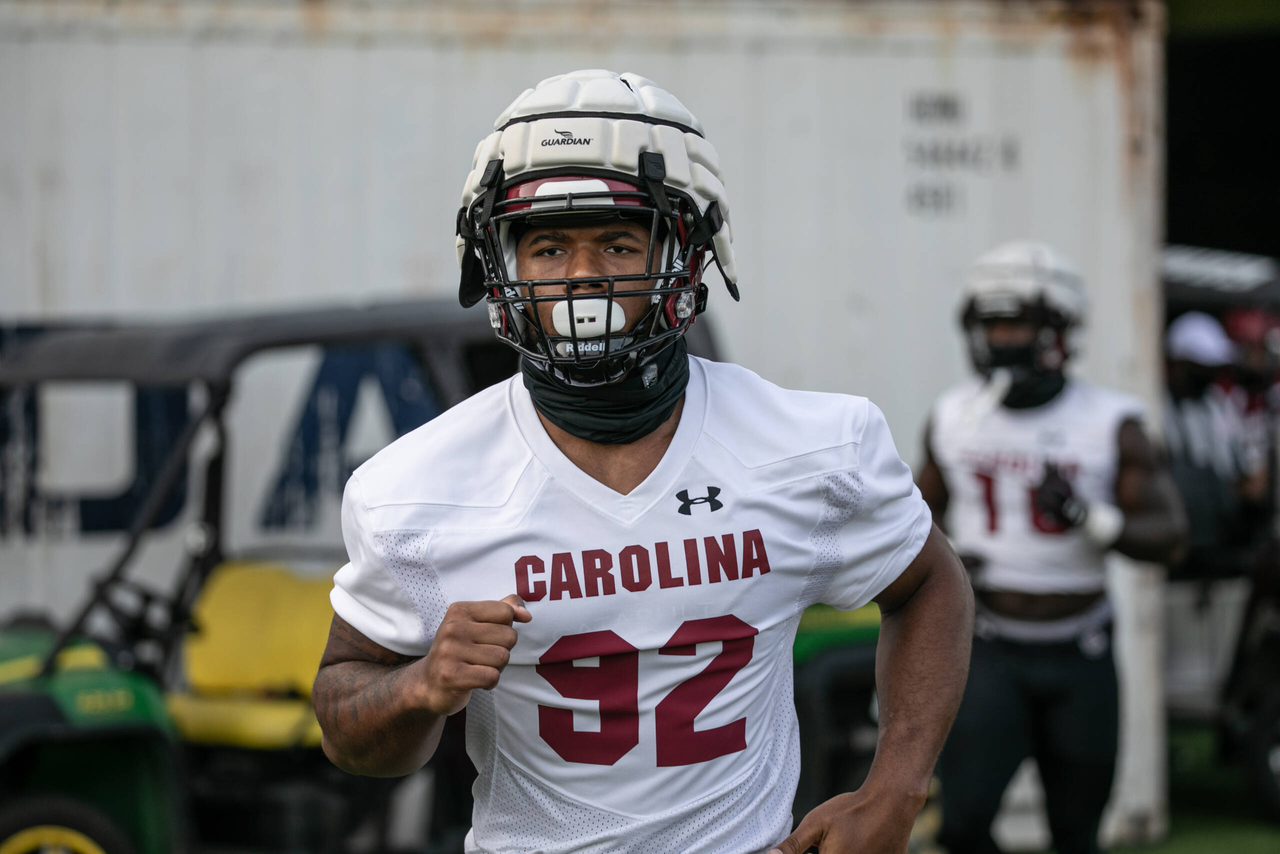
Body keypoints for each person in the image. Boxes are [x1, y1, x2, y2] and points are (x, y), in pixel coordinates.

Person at [312, 69, 974, 854]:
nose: (583, 278)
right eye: (549, 246)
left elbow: (931, 581)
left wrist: (896, 788)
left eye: (619, 243)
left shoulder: (812, 447)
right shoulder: (417, 488)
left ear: (690, 254)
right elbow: (348, 728)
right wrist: (420, 689)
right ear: (499, 264)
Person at [917, 241, 1187, 854]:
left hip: (1080, 653)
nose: (1001, 339)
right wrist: (949, 558)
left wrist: (1090, 520)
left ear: (1060, 328)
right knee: (962, 823)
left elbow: (1171, 538)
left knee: (1076, 834)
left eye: (1017, 323)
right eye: (991, 323)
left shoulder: (1111, 420)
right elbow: (913, 521)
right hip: (987, 648)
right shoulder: (954, 415)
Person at [1165, 311, 1268, 580]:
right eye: (1200, 368)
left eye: (1212, 369)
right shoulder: (1159, 405)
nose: (1207, 376)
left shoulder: (1220, 405)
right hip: (1179, 548)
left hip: (1223, 544)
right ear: (1177, 363)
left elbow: (1249, 478)